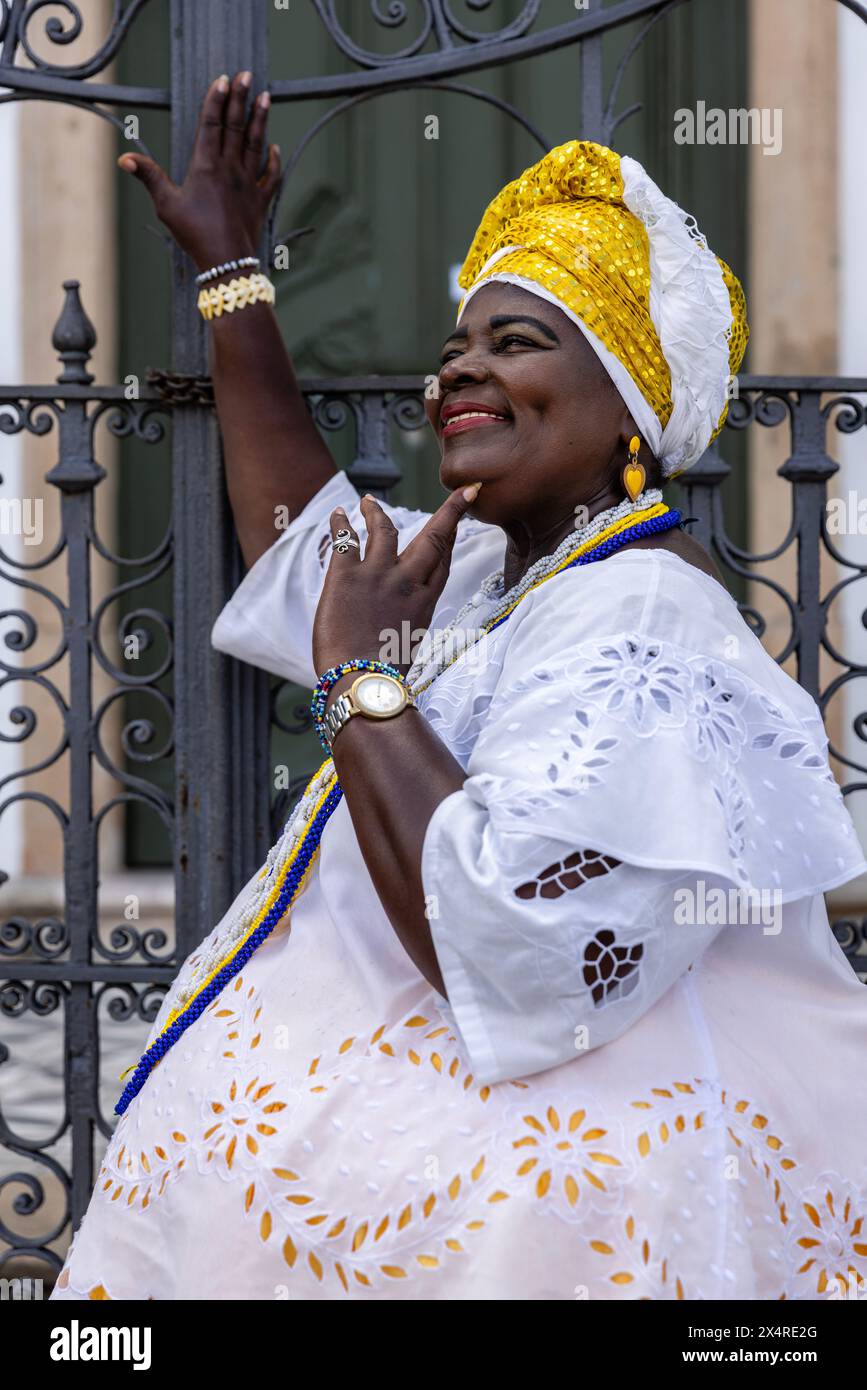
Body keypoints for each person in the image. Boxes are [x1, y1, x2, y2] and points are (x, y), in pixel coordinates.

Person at [52, 73, 867, 1302]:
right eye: (455, 350)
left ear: (631, 406)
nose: (458, 374)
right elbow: (303, 542)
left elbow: (505, 935)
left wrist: (361, 679)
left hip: (562, 1212)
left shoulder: (645, 614)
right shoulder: (496, 576)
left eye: (516, 342)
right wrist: (234, 275)